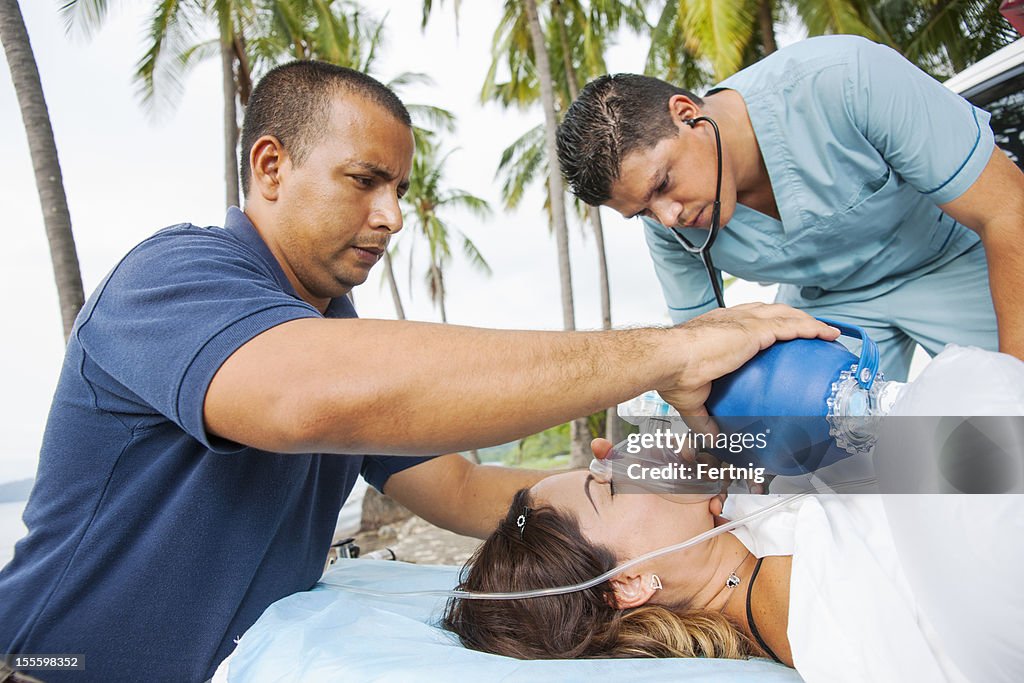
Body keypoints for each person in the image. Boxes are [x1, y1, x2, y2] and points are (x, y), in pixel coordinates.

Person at [0, 61, 838, 682]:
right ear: (270, 167)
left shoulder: (327, 326)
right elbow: (310, 397)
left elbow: (469, 487)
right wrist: (673, 349)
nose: (393, 216)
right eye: (365, 181)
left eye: (399, 187)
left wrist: (707, 465)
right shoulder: (174, 277)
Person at [556, 35, 1024, 381]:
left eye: (663, 184)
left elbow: (1007, 210)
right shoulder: (668, 222)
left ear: (686, 114)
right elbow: (696, 346)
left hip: (948, 259)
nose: (668, 218)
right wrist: (717, 455)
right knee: (801, 454)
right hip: (828, 300)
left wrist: (1011, 397)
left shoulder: (847, 78)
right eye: (641, 211)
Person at [442, 458, 973, 681]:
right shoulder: (820, 602)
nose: (624, 461)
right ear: (628, 582)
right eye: (605, 483)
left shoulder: (741, 522)